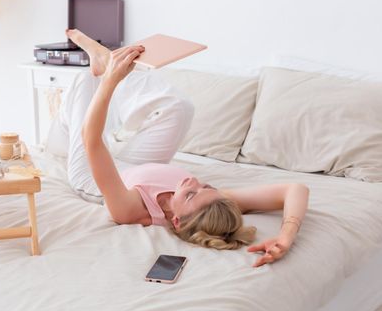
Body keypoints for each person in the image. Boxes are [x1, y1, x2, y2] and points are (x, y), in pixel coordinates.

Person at [54, 29, 309, 268]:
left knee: (84, 84)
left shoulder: (130, 210)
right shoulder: (212, 205)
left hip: (92, 174)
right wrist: (286, 236)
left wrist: (110, 81)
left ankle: (101, 68)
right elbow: (295, 189)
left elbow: (92, 140)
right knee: (180, 108)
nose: (192, 181)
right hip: (138, 167)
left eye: (189, 195)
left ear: (175, 220)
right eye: (205, 186)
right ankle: (107, 63)